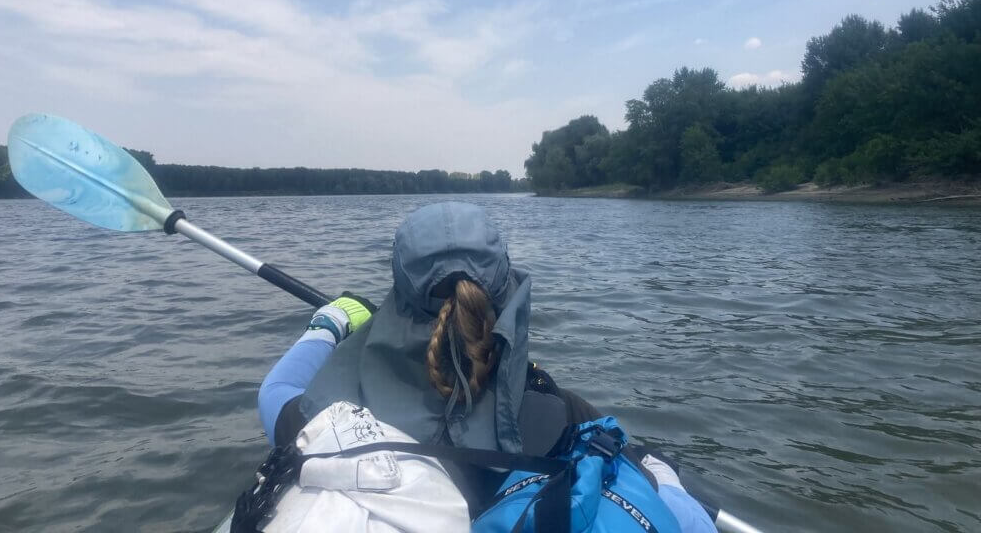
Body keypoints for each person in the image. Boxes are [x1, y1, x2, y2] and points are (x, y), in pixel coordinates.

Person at [256, 202, 715, 532]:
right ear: (508, 291)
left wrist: (333, 322)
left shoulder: (327, 416)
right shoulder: (556, 413)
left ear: (398, 293)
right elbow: (659, 495)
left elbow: (274, 392)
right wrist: (664, 471)